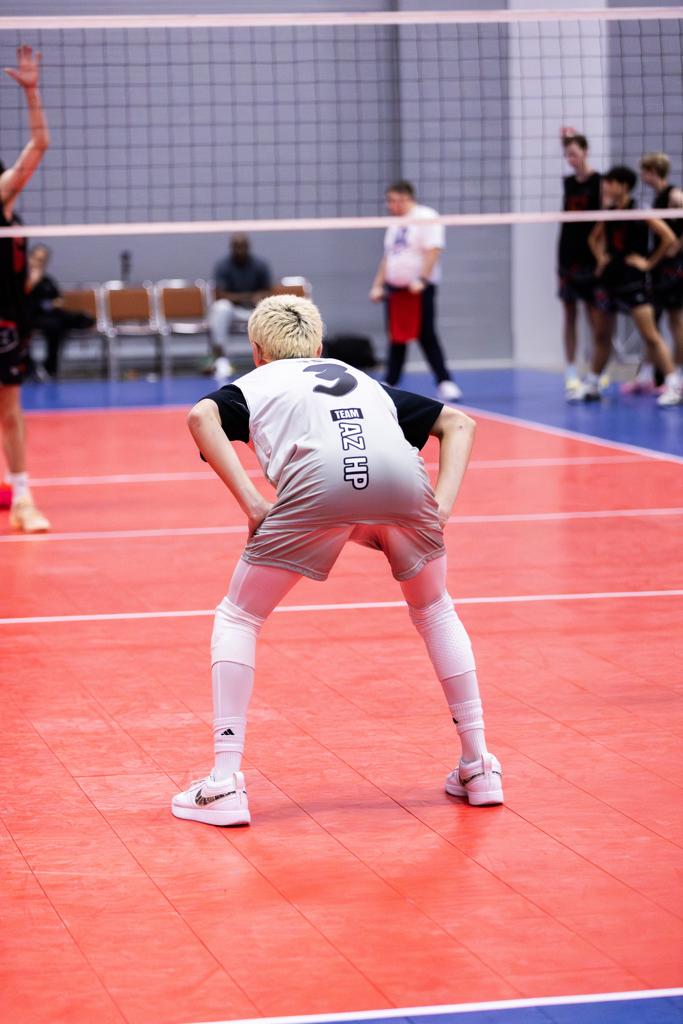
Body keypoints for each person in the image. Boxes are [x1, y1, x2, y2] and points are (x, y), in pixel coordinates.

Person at [172, 294, 503, 827]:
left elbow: (200, 415)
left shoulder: (255, 383)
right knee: (435, 609)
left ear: (257, 351)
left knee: (239, 616)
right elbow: (459, 424)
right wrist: (440, 508)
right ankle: (479, 765)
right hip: (403, 480)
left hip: (317, 482)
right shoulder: (362, 380)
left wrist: (252, 503)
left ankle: (224, 782)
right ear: (319, 348)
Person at [0, 45, 51, 532]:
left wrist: (32, 92)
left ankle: (22, 498)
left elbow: (39, 144)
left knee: (9, 410)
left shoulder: (3, 193)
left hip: (7, 321)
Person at [582, 165, 682, 407]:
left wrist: (648, 263)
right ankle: (592, 384)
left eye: (610, 182)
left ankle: (673, 385)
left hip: (633, 281)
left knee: (651, 336)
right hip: (610, 280)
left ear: (623, 186)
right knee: (601, 335)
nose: (606, 186)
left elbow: (668, 237)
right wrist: (601, 259)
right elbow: (593, 238)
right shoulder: (609, 212)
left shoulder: (638, 210)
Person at [369, 180, 462, 401]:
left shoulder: (426, 216)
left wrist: (422, 279)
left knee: (426, 335)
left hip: (418, 290)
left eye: (395, 200)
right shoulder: (395, 224)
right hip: (395, 290)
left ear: (407, 198)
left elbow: (434, 250)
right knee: (396, 336)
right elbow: (389, 257)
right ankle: (390, 382)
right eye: (389, 201)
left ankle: (445, 382)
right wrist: (378, 285)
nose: (391, 205)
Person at [556, 128, 608, 400]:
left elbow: (604, 221)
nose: (570, 159)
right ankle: (570, 371)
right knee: (569, 313)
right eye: (567, 154)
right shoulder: (568, 183)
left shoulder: (600, 181)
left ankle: (594, 368)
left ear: (586, 152)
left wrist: (600, 255)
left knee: (594, 315)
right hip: (567, 255)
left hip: (590, 258)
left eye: (574, 153)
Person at [626, 153, 683, 394]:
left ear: (652, 171)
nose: (641, 176)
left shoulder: (674, 195)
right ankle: (647, 375)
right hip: (661, 270)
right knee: (653, 322)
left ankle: (678, 375)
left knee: (676, 322)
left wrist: (677, 246)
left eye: (644, 171)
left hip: (674, 269)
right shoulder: (658, 197)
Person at [208, 234, 272, 382]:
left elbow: (268, 291)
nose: (240, 250)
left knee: (272, 309)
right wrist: (247, 296)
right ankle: (220, 360)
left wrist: (259, 297)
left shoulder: (260, 265)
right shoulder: (223, 266)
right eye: (237, 247)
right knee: (220, 308)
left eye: (243, 247)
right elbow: (220, 295)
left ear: (248, 247)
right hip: (233, 311)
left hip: (255, 311)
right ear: (232, 248)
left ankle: (270, 358)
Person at [26, 244, 96, 380]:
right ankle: (38, 368)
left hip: (52, 315)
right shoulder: (22, 280)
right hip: (32, 316)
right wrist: (32, 282)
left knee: (76, 319)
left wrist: (56, 302)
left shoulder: (47, 280)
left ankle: (49, 368)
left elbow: (57, 298)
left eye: (43, 260)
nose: (40, 263)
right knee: (55, 325)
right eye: (37, 259)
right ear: (29, 258)